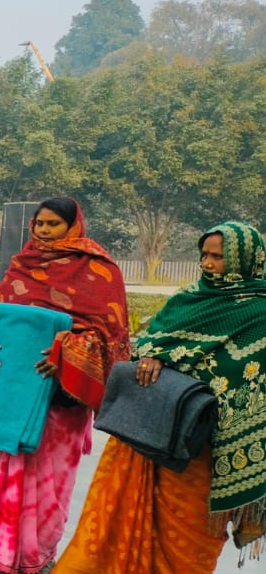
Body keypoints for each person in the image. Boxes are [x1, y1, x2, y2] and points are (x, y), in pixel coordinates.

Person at [56, 222, 266, 573]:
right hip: (155, 432)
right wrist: (154, 355)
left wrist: (197, 374)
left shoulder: (259, 312)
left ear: (245, 260)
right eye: (204, 256)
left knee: (191, 538)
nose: (208, 264)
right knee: (122, 518)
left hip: (209, 447)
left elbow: (252, 374)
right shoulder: (188, 298)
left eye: (219, 257)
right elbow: (155, 339)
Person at [0, 198, 130, 574]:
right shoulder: (22, 264)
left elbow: (111, 334)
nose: (43, 231)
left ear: (72, 226)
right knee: (7, 466)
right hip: (15, 389)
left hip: (63, 396)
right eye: (38, 224)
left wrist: (69, 349)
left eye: (53, 224)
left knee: (52, 477)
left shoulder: (98, 270)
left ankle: (37, 554)